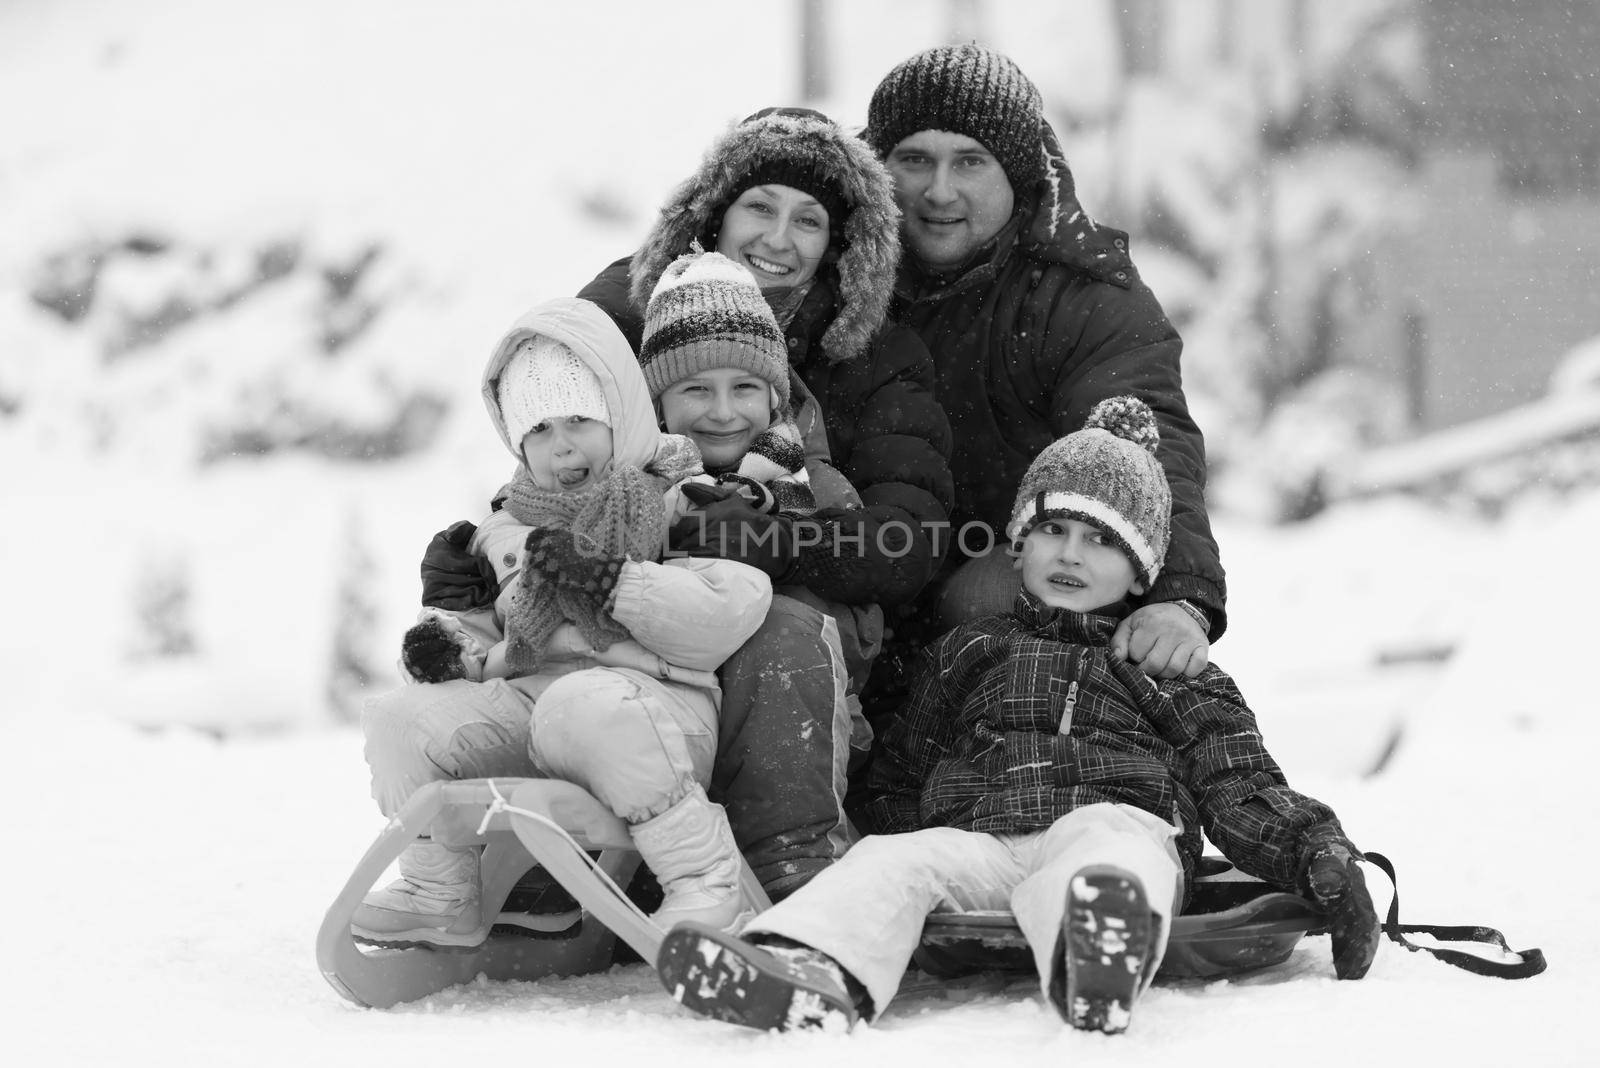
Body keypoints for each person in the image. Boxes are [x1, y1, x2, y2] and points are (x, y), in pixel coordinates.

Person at [655, 397, 1380, 1035]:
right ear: (1019, 541)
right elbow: (907, 773)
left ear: (1144, 571)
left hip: (1111, 822)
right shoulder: (969, 649)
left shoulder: (1168, 669)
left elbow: (1238, 781)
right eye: (1055, 529)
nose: (1071, 555)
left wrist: (1320, 857)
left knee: (1115, 853)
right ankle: (807, 967)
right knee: (893, 861)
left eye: (1103, 541)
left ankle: (1095, 953)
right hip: (981, 841)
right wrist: (877, 830)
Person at [572, 105, 954, 898]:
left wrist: (781, 544)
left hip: (801, 609)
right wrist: (494, 539)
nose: (779, 238)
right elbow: (555, 451)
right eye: (760, 207)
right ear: (715, 213)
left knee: (769, 630)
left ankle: (792, 856)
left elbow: (905, 538)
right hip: (648, 582)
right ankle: (557, 852)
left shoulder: (877, 357)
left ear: (840, 242)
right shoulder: (620, 313)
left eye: (808, 219)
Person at [352, 297, 774, 948]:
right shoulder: (505, 529)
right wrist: (445, 640)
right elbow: (492, 637)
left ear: (620, 415)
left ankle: (705, 881)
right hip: (531, 707)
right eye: (539, 429)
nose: (562, 443)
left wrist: (614, 579)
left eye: (579, 418)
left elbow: (730, 607)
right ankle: (441, 893)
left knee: (582, 704)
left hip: (655, 714)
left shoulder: (683, 497)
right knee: (399, 720)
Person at [859, 44, 1226, 684]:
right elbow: (683, 283)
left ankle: (1030, 762)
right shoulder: (817, 235)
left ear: (1019, 175)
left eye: (970, 162)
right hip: (851, 553)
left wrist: (1177, 596)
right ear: (878, 165)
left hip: (1006, 571)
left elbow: (1141, 434)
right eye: (914, 159)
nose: (938, 189)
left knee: (986, 597)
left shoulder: (1082, 296)